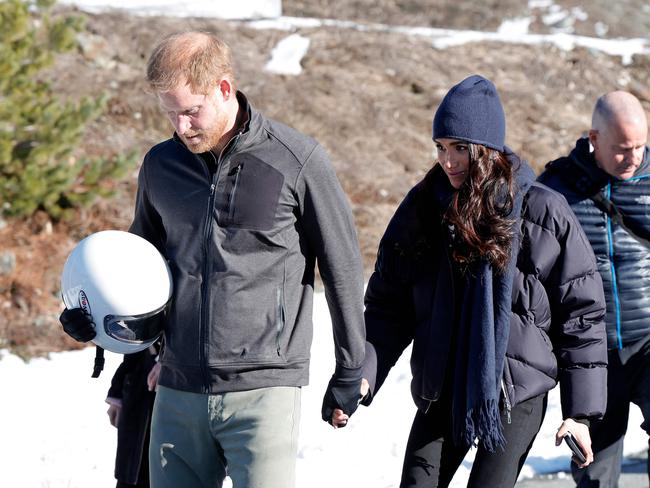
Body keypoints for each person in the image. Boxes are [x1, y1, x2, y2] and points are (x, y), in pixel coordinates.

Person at [59, 31, 366, 488]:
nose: (182, 127)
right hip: (177, 388)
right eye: (170, 114)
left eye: (190, 111)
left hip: (263, 389)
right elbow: (134, 269)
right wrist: (96, 319)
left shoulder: (295, 161)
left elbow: (342, 269)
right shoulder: (161, 165)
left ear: (224, 88)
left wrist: (350, 367)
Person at [354, 75, 608, 488]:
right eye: (441, 147)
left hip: (515, 391)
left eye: (460, 148)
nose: (448, 161)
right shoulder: (422, 210)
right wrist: (363, 371)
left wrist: (579, 413)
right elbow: (389, 304)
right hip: (444, 389)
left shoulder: (542, 212)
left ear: (487, 149)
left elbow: (581, 315)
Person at [538, 91, 650, 487]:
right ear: (594, 138)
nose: (634, 158)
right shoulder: (556, 189)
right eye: (622, 149)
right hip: (590, 353)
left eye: (640, 146)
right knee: (595, 471)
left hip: (648, 340)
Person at [106, 345, 159, 488]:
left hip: (179, 393)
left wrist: (169, 360)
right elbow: (133, 346)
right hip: (138, 393)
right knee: (132, 475)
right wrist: (117, 393)